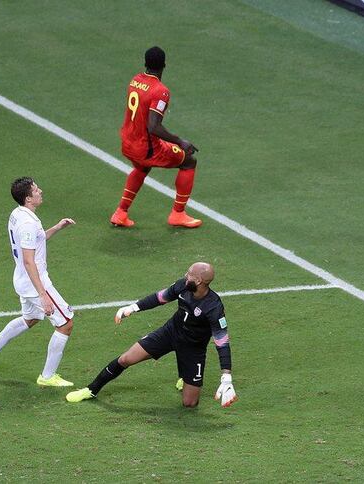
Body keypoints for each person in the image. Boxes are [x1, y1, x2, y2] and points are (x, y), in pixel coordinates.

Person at [66, 262, 238, 408]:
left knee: (190, 403)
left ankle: (185, 377)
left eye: (190, 275)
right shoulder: (183, 286)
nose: (186, 276)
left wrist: (226, 377)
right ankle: (91, 389)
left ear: (199, 281)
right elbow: (160, 298)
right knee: (126, 359)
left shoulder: (213, 307)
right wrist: (132, 308)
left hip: (193, 348)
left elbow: (222, 342)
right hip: (169, 333)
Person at [0, 177, 76, 386]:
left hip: (21, 279)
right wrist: (43, 294)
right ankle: (47, 377)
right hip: (34, 282)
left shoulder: (18, 214)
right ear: (28, 198)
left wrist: (57, 227)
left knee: (30, 318)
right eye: (37, 190)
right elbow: (29, 261)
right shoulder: (28, 223)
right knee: (65, 324)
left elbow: (34, 242)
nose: (41, 192)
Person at [111, 46, 203, 229]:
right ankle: (178, 214)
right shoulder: (160, 91)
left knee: (142, 168)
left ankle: (120, 213)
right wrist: (180, 141)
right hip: (146, 148)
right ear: (164, 65)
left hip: (128, 143)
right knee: (189, 161)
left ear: (145, 63)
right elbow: (153, 126)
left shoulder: (135, 80)